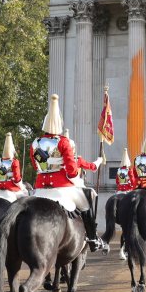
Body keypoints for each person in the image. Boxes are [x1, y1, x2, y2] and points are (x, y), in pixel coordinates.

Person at [28, 94, 105, 252]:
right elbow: (71, 172)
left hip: (40, 187)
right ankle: (92, 238)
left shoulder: (35, 143)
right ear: (59, 124)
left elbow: (36, 166)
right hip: (62, 187)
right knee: (85, 205)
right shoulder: (64, 142)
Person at [0, 132, 28, 202]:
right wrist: (22, 187)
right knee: (26, 197)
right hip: (11, 187)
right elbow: (17, 178)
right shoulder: (15, 161)